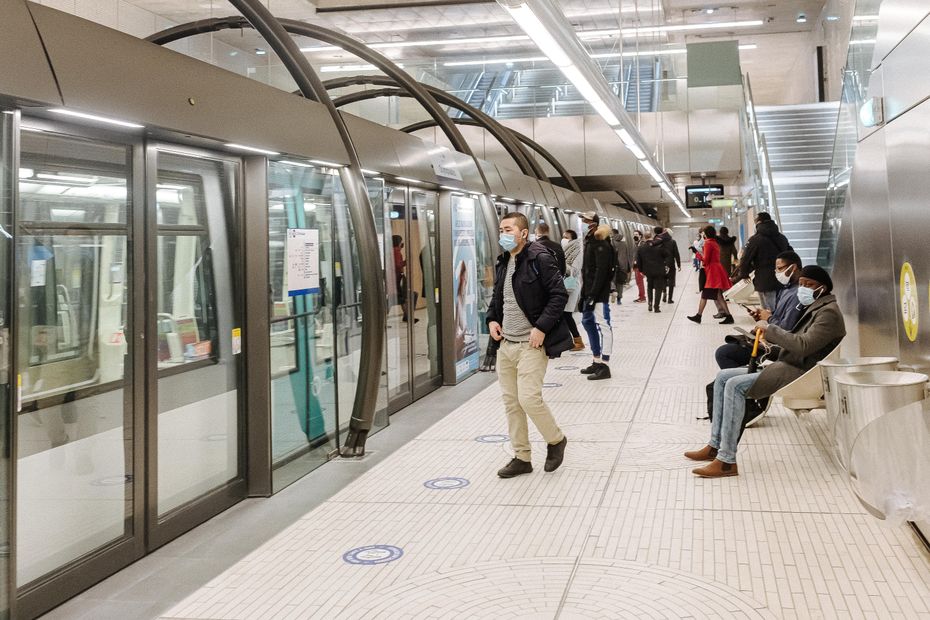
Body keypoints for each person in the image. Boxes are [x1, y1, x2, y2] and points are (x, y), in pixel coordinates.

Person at [685, 265, 845, 477]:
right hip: (792, 365)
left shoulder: (828, 314)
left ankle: (726, 460)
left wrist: (770, 329)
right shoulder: (818, 307)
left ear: (822, 288)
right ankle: (715, 445)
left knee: (734, 385)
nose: (804, 289)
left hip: (800, 372)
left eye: (810, 285)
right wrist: (769, 346)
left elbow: (804, 345)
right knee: (723, 377)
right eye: (802, 284)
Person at [487, 212, 569, 478]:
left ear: (523, 233)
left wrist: (542, 327)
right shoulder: (503, 261)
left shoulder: (540, 258)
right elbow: (497, 296)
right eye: (501, 229)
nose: (503, 234)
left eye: (508, 229)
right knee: (511, 403)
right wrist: (491, 320)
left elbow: (559, 294)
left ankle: (556, 440)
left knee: (529, 399)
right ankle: (522, 457)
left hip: (531, 345)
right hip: (506, 344)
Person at [715, 251, 803, 369]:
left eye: (780, 268)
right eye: (776, 269)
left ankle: (741, 380)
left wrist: (768, 318)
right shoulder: (786, 289)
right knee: (727, 350)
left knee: (723, 353)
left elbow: (787, 327)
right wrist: (763, 316)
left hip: (776, 345)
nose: (777, 273)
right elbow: (780, 316)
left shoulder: (797, 294)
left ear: (793, 267)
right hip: (769, 338)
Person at [579, 211, 615, 380]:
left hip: (599, 292)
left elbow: (601, 271)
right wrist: (584, 294)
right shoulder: (590, 240)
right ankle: (596, 359)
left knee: (603, 324)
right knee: (587, 322)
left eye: (586, 220)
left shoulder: (601, 243)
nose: (584, 223)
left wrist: (593, 294)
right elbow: (588, 270)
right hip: (589, 291)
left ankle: (605, 366)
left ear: (594, 223)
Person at [734, 212, 792, 311]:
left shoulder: (755, 239)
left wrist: (744, 273)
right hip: (782, 277)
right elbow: (791, 254)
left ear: (759, 222)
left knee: (768, 309)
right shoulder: (782, 238)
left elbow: (746, 258)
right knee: (780, 307)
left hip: (764, 278)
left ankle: (771, 325)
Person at [687, 226, 734, 324]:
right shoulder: (714, 242)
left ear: (706, 233)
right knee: (718, 295)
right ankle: (728, 316)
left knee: (705, 295)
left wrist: (696, 253)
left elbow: (706, 260)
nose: (702, 234)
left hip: (712, 272)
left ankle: (699, 316)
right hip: (717, 270)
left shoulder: (708, 243)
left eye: (703, 233)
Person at [561, 229, 584, 351]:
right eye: (563, 236)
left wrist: (563, 265)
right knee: (564, 314)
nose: (564, 239)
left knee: (567, 314)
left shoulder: (577, 252)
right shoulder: (564, 251)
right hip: (564, 285)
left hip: (571, 286)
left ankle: (578, 341)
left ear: (572, 239)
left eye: (566, 237)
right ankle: (569, 341)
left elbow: (574, 271)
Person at [635, 230, 669, 313]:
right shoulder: (659, 245)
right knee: (658, 288)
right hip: (659, 270)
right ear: (651, 236)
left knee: (649, 287)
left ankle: (650, 304)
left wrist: (641, 270)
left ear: (644, 237)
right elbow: (667, 254)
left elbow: (638, 260)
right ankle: (656, 307)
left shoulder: (641, 247)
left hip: (648, 271)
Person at [654, 227, 680, 304]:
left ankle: (664, 291)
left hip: (661, 263)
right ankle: (670, 299)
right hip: (671, 264)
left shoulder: (659, 241)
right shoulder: (673, 242)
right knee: (671, 281)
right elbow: (676, 253)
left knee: (663, 280)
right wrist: (679, 264)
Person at [611, 228, 631, 305]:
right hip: (623, 266)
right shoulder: (624, 243)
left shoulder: (612, 242)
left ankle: (614, 292)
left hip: (614, 265)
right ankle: (619, 299)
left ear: (613, 234)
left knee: (612, 281)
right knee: (620, 283)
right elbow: (627, 255)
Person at [631, 230, 647, 303]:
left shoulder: (642, 244)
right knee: (638, 282)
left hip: (640, 266)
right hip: (636, 266)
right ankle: (641, 296)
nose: (635, 236)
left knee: (640, 282)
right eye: (634, 234)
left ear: (640, 235)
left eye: (637, 234)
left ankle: (642, 297)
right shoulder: (636, 243)